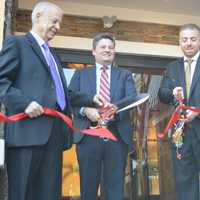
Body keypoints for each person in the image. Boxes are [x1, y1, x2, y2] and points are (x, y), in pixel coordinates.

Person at [0, 2, 104, 200]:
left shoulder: (54, 55)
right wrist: (24, 103)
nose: (58, 27)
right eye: (54, 21)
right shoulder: (17, 44)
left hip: (55, 138)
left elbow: (61, 94)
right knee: (22, 194)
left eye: (60, 23)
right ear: (38, 17)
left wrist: (91, 98)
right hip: (27, 136)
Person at [69, 32, 138, 200]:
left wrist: (115, 108)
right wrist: (85, 110)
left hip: (116, 135)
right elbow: (70, 98)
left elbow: (132, 98)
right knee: (88, 186)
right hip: (88, 136)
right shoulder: (80, 74)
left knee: (115, 188)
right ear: (93, 51)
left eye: (111, 47)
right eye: (103, 47)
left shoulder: (125, 75)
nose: (107, 50)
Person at [158, 23, 200, 200]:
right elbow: (162, 93)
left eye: (193, 39)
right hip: (181, 134)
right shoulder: (172, 67)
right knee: (184, 183)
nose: (188, 43)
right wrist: (171, 93)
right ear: (179, 42)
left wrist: (198, 112)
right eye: (184, 40)